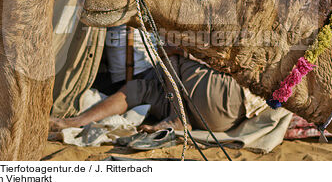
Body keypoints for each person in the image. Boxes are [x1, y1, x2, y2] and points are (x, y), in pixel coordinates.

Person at [50, 46, 263, 134]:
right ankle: (75, 123)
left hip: (227, 96)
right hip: (217, 121)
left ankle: (176, 117)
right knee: (136, 89)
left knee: (169, 46)